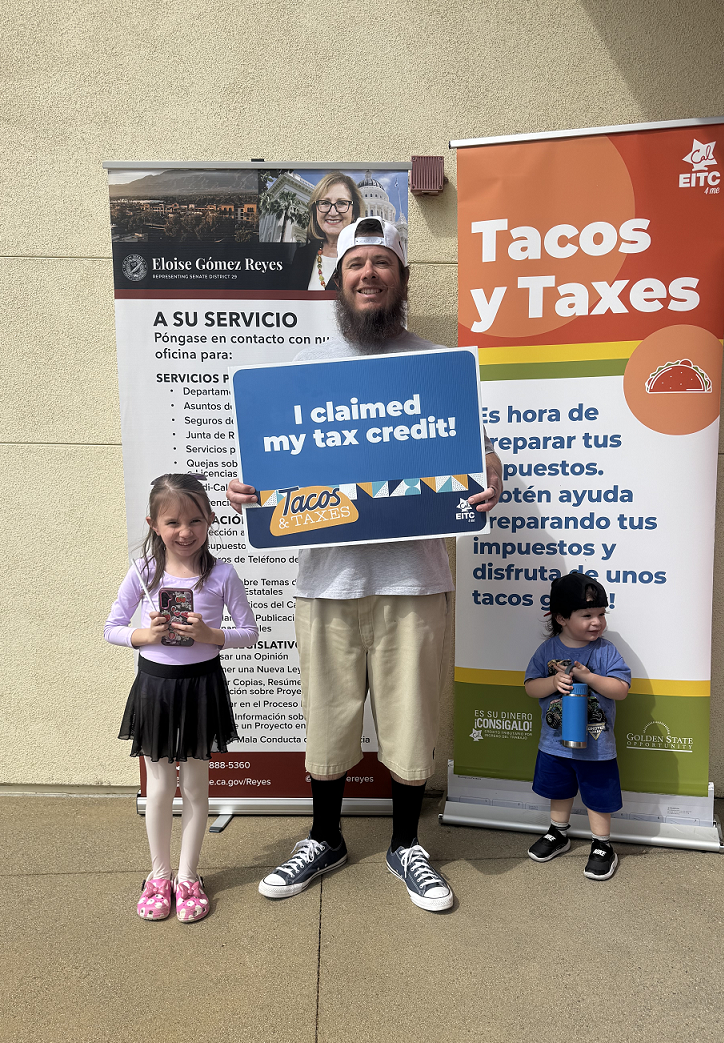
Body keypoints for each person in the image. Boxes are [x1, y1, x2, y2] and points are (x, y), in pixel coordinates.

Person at [227, 216, 503, 912]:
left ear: (402, 279)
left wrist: (491, 472)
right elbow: (269, 468)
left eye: (382, 263)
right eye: (357, 264)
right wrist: (248, 492)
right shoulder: (301, 373)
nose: (369, 275)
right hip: (326, 581)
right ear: (336, 279)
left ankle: (406, 845)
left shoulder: (438, 366)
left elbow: (475, 451)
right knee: (327, 718)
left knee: (411, 721)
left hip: (415, 579)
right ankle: (325, 837)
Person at [105, 473, 258, 922]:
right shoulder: (143, 572)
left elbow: (249, 632)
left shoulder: (222, 574)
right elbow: (111, 627)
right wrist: (143, 635)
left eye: (195, 520)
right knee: (157, 787)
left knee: (194, 786)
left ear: (210, 519)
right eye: (172, 522)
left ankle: (188, 876)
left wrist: (212, 635)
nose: (185, 531)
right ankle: (159, 875)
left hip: (201, 686)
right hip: (155, 687)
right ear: (154, 524)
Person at [524, 572, 631, 881]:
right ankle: (558, 832)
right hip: (554, 744)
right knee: (559, 791)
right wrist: (552, 682)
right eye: (587, 615)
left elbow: (621, 690)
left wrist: (589, 677)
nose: (597, 622)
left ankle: (602, 844)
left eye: (601, 614)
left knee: (598, 795)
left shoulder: (605, 651)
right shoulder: (547, 651)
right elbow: (530, 687)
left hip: (598, 747)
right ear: (561, 618)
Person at [287, 172, 365, 289]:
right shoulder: (302, 255)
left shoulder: (366, 258)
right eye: (324, 203)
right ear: (316, 211)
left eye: (342, 203)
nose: (332, 212)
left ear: (354, 213)